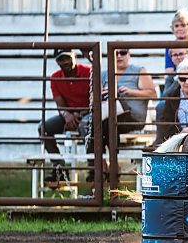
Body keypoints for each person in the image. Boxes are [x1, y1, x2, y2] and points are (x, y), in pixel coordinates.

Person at [85, 49, 157, 182]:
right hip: (109, 114)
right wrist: (102, 95)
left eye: (122, 53)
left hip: (133, 116)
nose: (118, 56)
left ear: (129, 55)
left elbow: (152, 94)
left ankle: (108, 167)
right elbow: (92, 99)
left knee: (105, 124)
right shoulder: (105, 74)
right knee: (94, 126)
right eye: (115, 53)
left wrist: (131, 92)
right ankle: (102, 167)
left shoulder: (138, 70)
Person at [38, 49, 91, 182]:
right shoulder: (55, 77)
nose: (65, 62)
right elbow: (59, 102)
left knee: (88, 127)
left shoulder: (89, 71)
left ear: (74, 56)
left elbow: (96, 98)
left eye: (67, 57)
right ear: (57, 62)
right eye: (61, 59)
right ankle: (59, 169)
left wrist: (82, 112)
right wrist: (66, 114)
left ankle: (94, 171)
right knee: (43, 128)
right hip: (69, 114)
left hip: (89, 112)